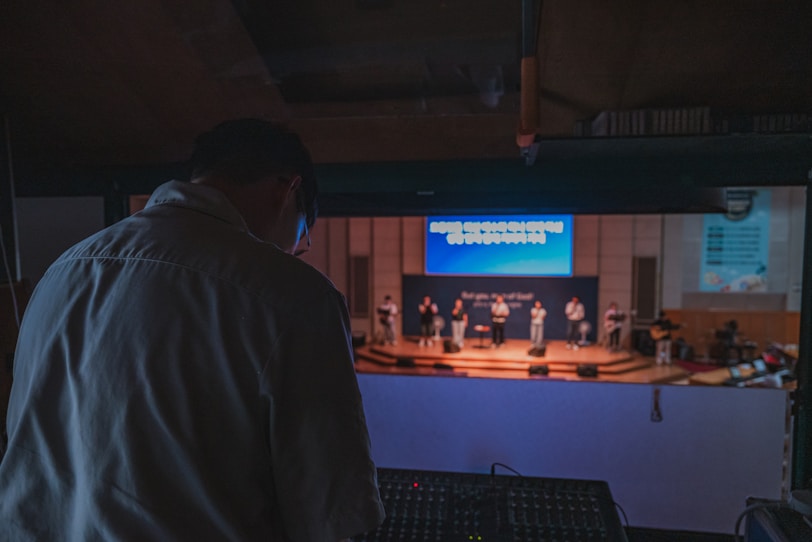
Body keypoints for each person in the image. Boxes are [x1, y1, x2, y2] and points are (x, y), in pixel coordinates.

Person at [0, 119, 385, 541]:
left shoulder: (62, 272)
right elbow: (330, 515)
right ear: (287, 190)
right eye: (303, 229)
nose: (300, 247)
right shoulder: (297, 296)